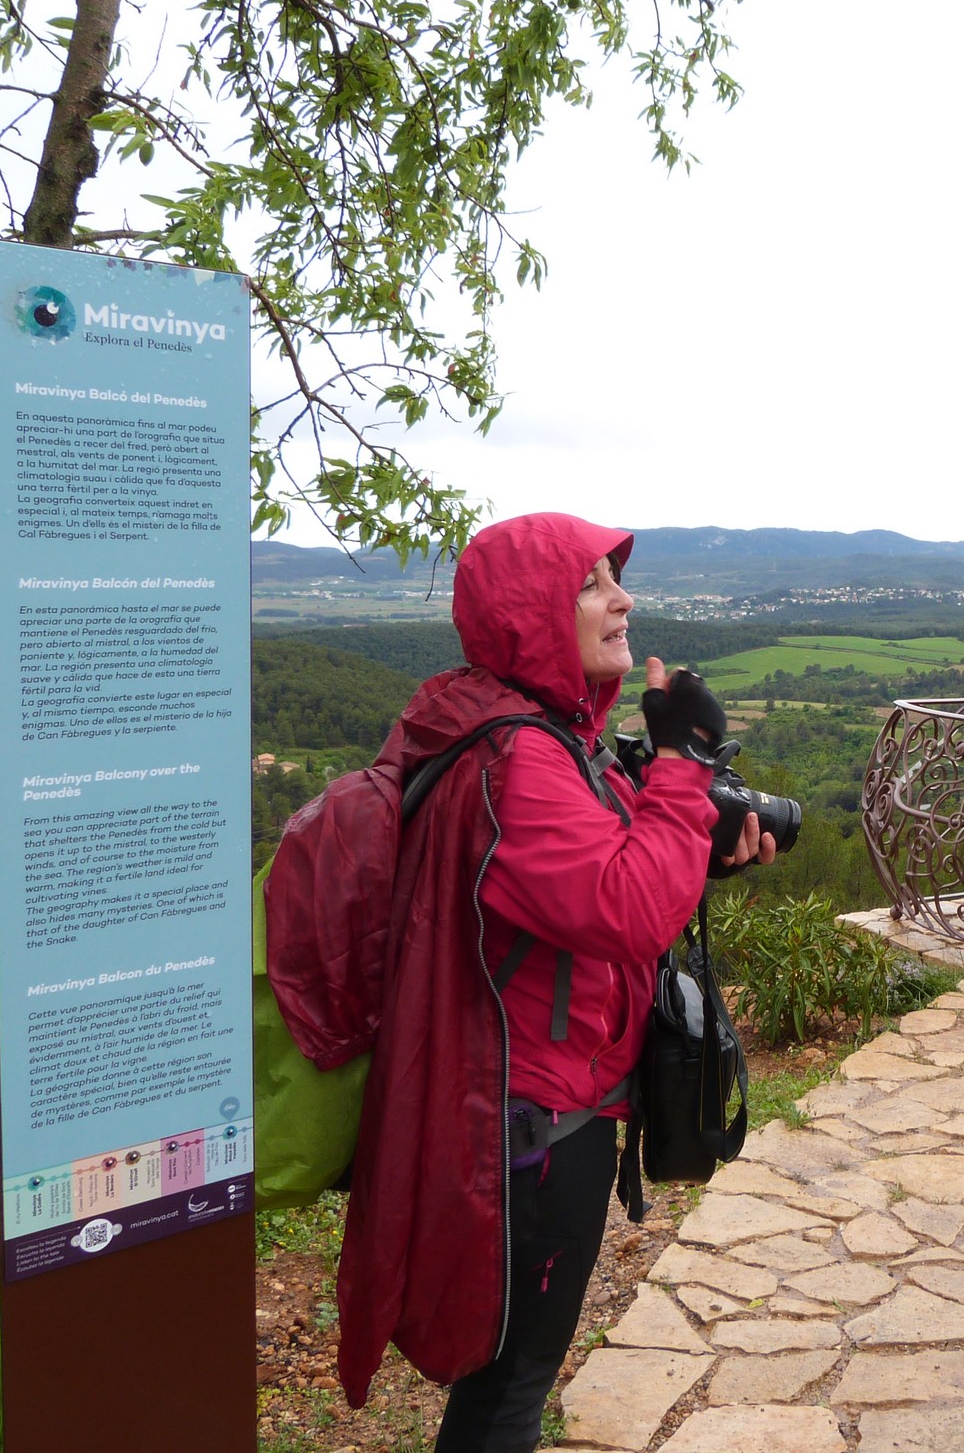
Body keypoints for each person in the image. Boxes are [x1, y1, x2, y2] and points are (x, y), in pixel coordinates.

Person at [311, 513, 773, 1451]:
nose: (622, 599)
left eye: (615, 578)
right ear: (530, 614)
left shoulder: (530, 733)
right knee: (509, 1393)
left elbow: (594, 886)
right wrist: (682, 765)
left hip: (528, 1108)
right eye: (591, 584)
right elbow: (624, 909)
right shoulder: (523, 757)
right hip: (535, 1132)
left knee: (507, 1385)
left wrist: (694, 850)